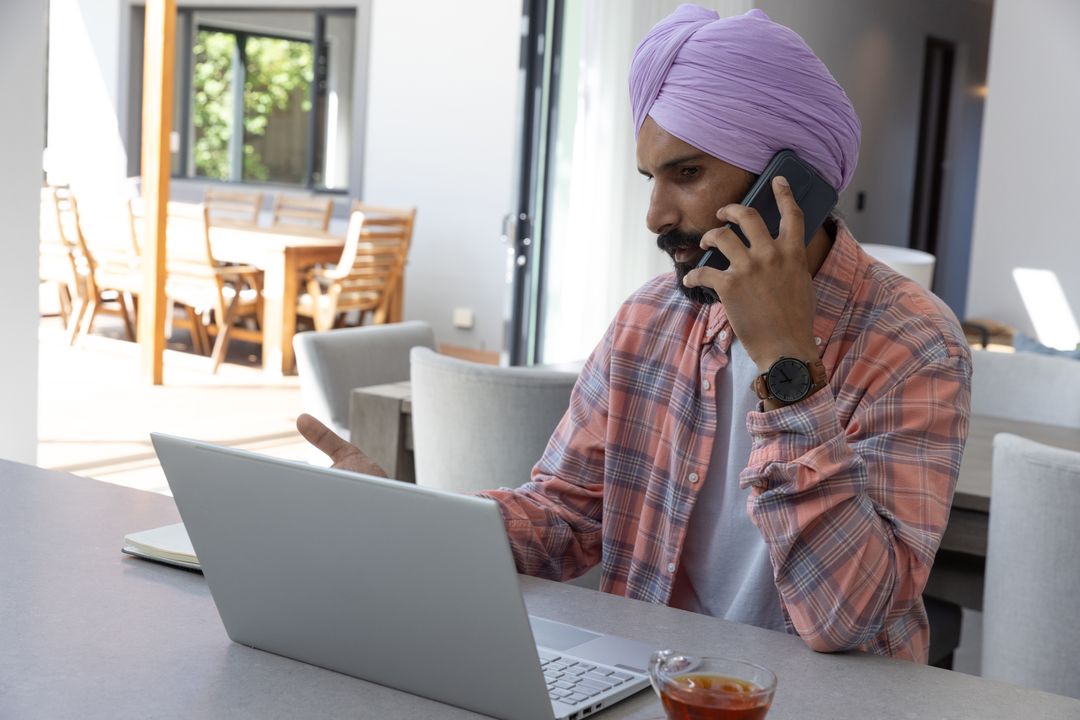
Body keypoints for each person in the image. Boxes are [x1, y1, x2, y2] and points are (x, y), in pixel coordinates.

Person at [298, 6, 971, 664]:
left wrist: (786, 366)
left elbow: (847, 620)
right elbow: (563, 518)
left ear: (787, 187)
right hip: (657, 687)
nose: (654, 215)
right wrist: (402, 521)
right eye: (651, 177)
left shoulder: (914, 343)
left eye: (687, 173)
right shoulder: (650, 320)